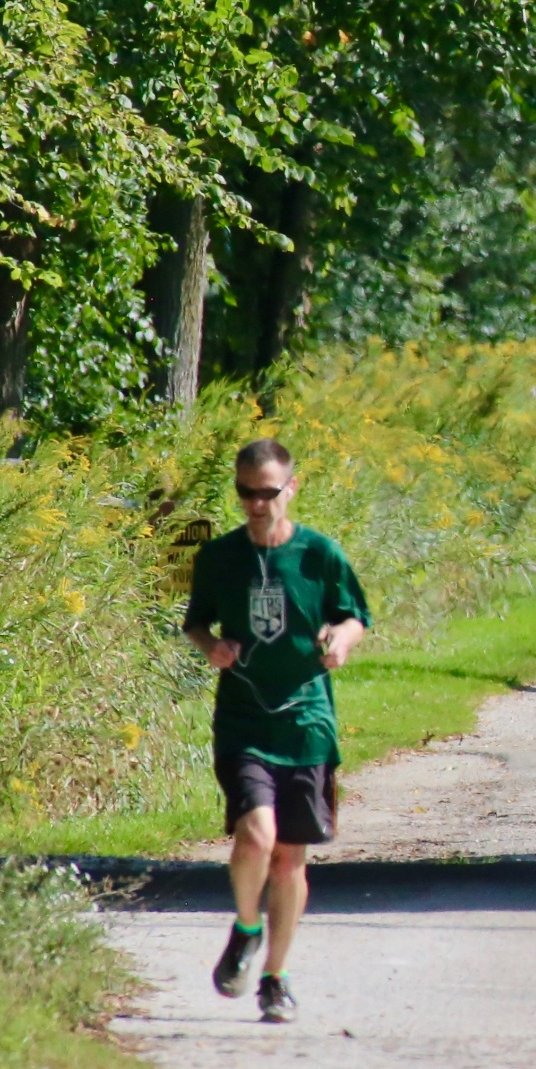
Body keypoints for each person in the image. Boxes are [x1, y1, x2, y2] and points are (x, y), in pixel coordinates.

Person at [183, 437, 370, 1024]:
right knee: (256, 836)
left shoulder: (319, 554)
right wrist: (213, 647)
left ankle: (275, 978)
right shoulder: (220, 556)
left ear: (291, 487)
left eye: (267, 493)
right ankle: (245, 929)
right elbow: (197, 623)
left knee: (291, 859)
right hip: (244, 716)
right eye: (246, 493)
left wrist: (340, 639)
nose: (257, 504)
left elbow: (354, 614)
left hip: (307, 719)